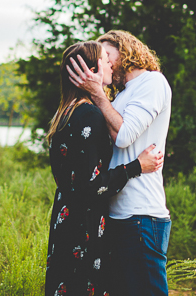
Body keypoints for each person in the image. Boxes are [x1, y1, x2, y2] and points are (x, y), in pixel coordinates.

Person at [46, 41, 163, 296]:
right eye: (104, 58)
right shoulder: (89, 115)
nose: (110, 63)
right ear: (91, 69)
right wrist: (136, 166)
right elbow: (90, 186)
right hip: (83, 227)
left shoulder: (65, 113)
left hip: (66, 219)